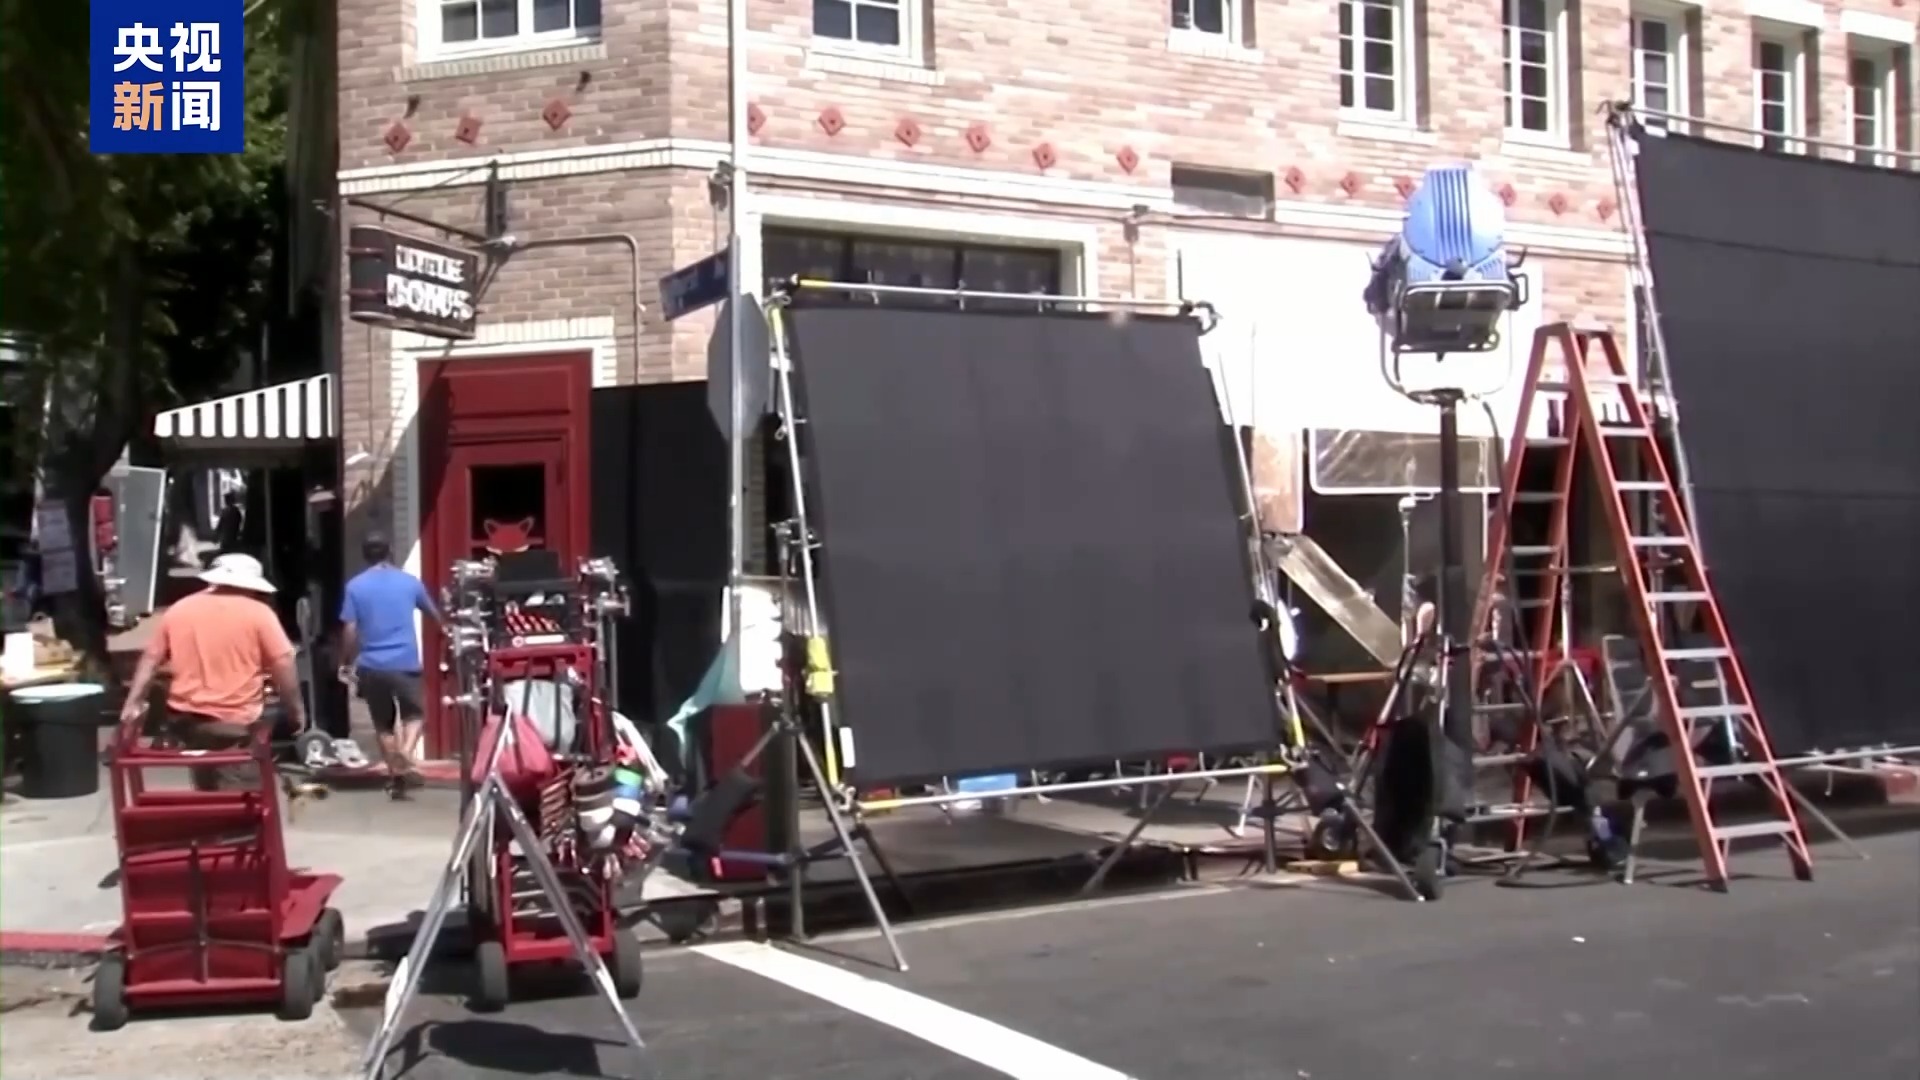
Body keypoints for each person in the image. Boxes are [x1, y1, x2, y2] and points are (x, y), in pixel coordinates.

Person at [119, 553, 307, 791]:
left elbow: (151, 659)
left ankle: (211, 804)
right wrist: (295, 710)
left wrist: (132, 702)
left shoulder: (180, 609)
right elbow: (284, 662)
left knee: (207, 784)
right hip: (234, 718)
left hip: (184, 718)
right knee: (242, 795)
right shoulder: (259, 613)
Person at [339, 533, 439, 796]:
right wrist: (446, 631)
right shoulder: (409, 582)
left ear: (365, 555)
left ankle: (396, 776)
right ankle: (405, 753)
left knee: (383, 724)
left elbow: (350, 628)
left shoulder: (355, 587)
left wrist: (346, 661)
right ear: (390, 551)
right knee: (415, 716)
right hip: (405, 662)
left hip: (371, 665)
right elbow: (433, 613)